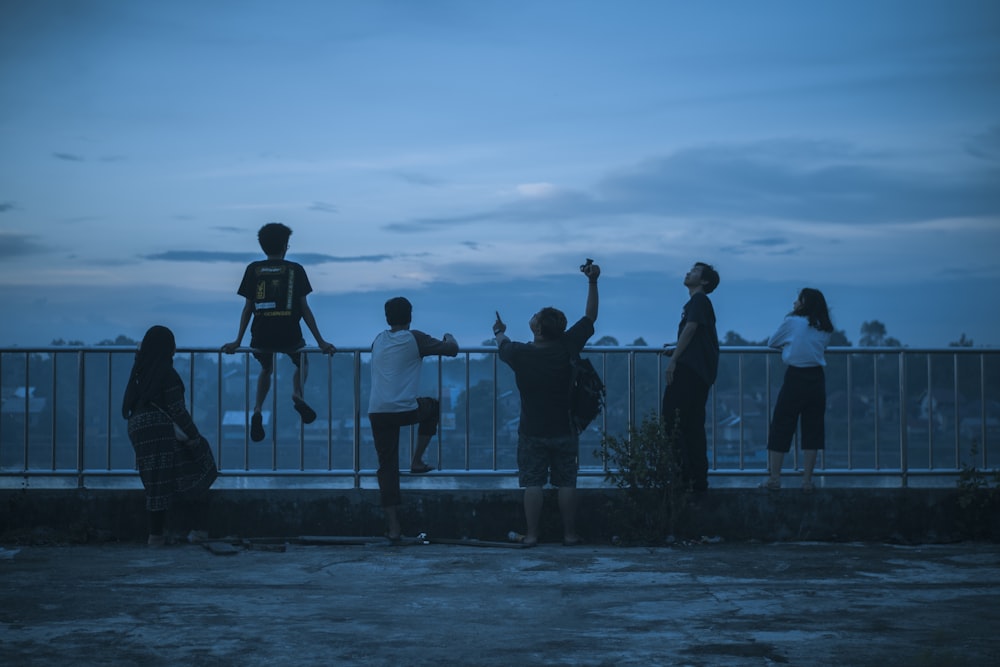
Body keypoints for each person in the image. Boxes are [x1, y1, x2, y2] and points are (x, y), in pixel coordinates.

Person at [493, 260, 600, 547]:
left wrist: (499, 330)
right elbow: (590, 316)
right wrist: (592, 281)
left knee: (533, 483)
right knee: (567, 482)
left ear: (537, 328)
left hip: (532, 430)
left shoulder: (519, 353)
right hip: (565, 427)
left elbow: (502, 343)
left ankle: (532, 535)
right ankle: (569, 534)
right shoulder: (568, 345)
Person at [222, 222, 335, 442]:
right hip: (289, 335)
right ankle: (297, 393)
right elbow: (304, 309)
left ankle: (257, 409)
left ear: (263, 246)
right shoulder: (295, 270)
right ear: (285, 246)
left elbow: (248, 309)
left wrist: (237, 341)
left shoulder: (253, 269)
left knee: (267, 368)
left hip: (261, 335)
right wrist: (321, 342)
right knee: (302, 361)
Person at [368, 297, 459, 541]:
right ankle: (417, 460)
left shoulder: (378, 339)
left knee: (386, 466)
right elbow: (451, 349)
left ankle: (394, 527)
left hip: (377, 410)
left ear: (387, 318)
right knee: (432, 406)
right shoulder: (414, 338)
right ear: (410, 316)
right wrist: (449, 336)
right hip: (405, 409)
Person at [122, 326, 218, 546]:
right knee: (195, 465)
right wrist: (195, 436)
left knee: (156, 480)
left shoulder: (139, 371)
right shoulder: (167, 374)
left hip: (137, 429)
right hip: (159, 429)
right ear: (167, 348)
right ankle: (190, 531)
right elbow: (177, 410)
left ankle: (157, 534)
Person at [762, 288, 834, 491]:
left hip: (796, 377)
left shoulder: (793, 322)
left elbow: (772, 342)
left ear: (804, 304)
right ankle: (807, 481)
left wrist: (788, 347)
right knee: (813, 429)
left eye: (798, 300)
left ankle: (775, 478)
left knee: (781, 425)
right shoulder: (825, 327)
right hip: (817, 378)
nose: (794, 304)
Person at [661, 262, 720, 494]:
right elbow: (696, 336)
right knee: (692, 425)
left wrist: (674, 359)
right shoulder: (697, 303)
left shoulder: (699, 301)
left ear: (704, 281)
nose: (688, 272)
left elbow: (691, 329)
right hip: (699, 371)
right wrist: (677, 348)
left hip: (690, 370)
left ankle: (683, 478)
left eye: (695, 271)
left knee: (673, 420)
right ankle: (696, 482)